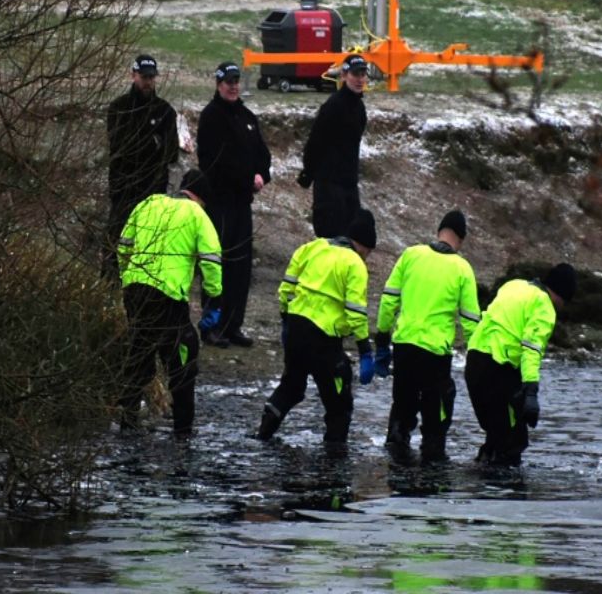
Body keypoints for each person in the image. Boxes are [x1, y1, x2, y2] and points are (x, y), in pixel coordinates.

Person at [255, 208, 378, 445]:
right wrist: (364, 349)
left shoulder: (313, 247)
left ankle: (262, 434)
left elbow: (286, 288)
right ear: (363, 245)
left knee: (291, 386)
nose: (367, 257)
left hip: (296, 328)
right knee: (339, 402)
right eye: (369, 252)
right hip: (324, 340)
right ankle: (333, 462)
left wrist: (285, 321)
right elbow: (356, 313)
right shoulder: (355, 264)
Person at [116, 169, 223, 435]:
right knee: (183, 357)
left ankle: (126, 422)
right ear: (201, 198)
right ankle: (183, 430)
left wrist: (126, 276)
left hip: (135, 290)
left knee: (140, 352)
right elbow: (211, 260)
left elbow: (123, 245)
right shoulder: (197, 215)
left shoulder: (148, 204)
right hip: (167, 295)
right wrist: (214, 296)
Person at [374, 209, 481, 462]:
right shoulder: (462, 268)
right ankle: (432, 478)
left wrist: (381, 338)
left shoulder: (411, 255)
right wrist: (475, 353)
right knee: (436, 418)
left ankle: (397, 471)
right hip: (435, 353)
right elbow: (470, 320)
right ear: (461, 239)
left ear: (439, 231)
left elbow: (389, 300)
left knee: (402, 408)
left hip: (404, 346)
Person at [464, 263, 576, 466]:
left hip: (473, 362)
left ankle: (481, 484)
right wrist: (531, 393)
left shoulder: (513, 285)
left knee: (496, 435)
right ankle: (505, 494)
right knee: (513, 442)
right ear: (561, 295)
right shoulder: (544, 307)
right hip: (497, 369)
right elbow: (531, 350)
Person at [196, 61, 273, 348]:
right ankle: (211, 326)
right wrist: (245, 178)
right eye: (227, 81)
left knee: (241, 269)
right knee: (217, 266)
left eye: (236, 81)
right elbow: (214, 162)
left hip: (243, 204)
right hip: (219, 203)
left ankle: (233, 325)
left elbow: (263, 156)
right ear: (218, 84)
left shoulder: (247, 117)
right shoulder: (211, 117)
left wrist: (261, 175)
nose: (232, 86)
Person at [106, 53, 179, 278]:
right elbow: (121, 147)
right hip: (124, 191)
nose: (148, 82)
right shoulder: (119, 108)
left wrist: (149, 145)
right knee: (116, 246)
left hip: (154, 193)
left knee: (149, 249)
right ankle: (108, 290)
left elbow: (171, 152)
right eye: (144, 77)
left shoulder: (165, 111)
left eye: (151, 77)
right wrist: (153, 142)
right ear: (133, 76)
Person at [297, 53, 368, 238]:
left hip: (349, 183)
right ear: (344, 76)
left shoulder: (359, 108)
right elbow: (316, 141)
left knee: (351, 238)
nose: (360, 79)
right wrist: (308, 172)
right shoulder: (334, 105)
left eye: (362, 74)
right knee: (330, 238)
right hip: (329, 184)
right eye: (355, 74)